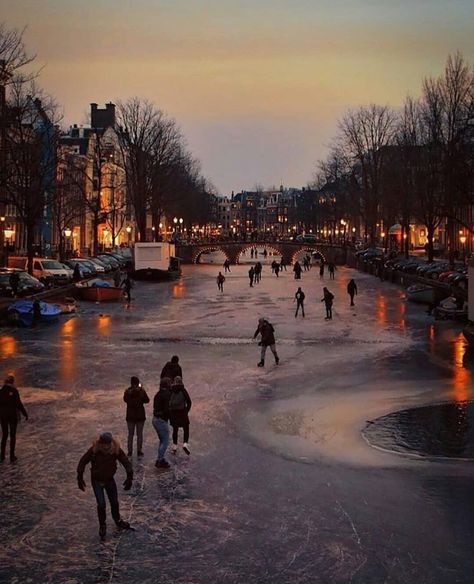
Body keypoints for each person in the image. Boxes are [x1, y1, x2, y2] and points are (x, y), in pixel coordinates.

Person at [77, 432, 133, 539]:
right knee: (101, 504)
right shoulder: (94, 450)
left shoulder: (115, 449)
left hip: (109, 480)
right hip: (97, 481)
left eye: (108, 444)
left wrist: (130, 475)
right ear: (100, 443)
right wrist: (79, 476)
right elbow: (83, 461)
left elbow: (125, 461)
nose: (106, 446)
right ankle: (102, 524)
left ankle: (117, 520)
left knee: (114, 502)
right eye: (104, 444)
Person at [0, 375, 28, 463]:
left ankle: (2, 455)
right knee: (12, 435)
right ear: (12, 382)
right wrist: (25, 413)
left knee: (4, 435)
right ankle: (12, 456)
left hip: (2, 416)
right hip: (12, 416)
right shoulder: (14, 391)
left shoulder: (0, 391)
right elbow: (19, 404)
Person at [123, 376, 150, 457]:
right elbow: (147, 400)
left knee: (130, 434)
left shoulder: (127, 392)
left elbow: (125, 400)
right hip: (140, 416)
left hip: (130, 416)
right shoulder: (141, 392)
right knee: (139, 434)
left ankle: (130, 451)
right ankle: (139, 450)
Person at [168, 377, 192, 455]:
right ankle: (185, 443)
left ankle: (174, 446)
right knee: (186, 427)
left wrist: (170, 412)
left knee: (175, 429)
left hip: (174, 413)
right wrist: (186, 410)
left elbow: (168, 402)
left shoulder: (171, 390)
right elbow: (189, 402)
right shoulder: (183, 390)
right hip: (182, 412)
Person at [152, 377, 172, 469]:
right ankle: (160, 460)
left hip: (155, 419)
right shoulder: (167, 394)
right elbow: (167, 409)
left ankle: (160, 458)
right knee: (165, 441)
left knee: (162, 440)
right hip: (161, 420)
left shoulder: (158, 394)